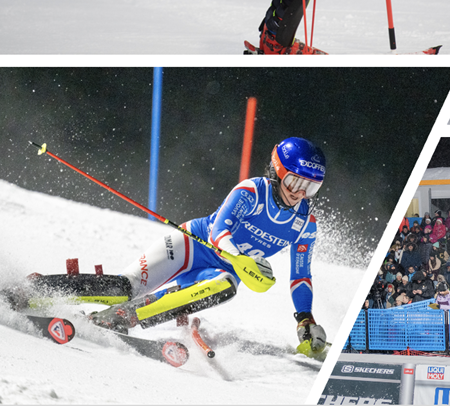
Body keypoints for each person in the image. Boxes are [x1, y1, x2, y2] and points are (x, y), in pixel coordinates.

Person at [87, 137, 329, 357]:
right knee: (123, 288)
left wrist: (305, 318)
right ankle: (54, 289)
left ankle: (124, 316)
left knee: (225, 285)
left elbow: (301, 276)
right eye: (294, 181)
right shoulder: (253, 192)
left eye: (311, 187)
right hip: (191, 247)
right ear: (278, 172)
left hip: (218, 273)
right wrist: (239, 259)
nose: (300, 193)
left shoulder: (305, 225)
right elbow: (218, 232)